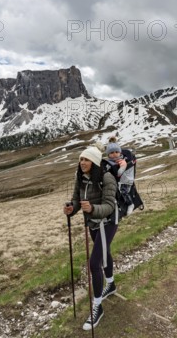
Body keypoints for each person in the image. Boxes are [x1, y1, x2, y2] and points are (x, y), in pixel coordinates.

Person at [64, 146, 118, 330]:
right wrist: (72, 209)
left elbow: (110, 205)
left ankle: (97, 306)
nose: (83, 163)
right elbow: (76, 200)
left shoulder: (106, 177)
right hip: (93, 224)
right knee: (104, 252)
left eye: (86, 160)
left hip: (108, 222)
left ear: (94, 162)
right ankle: (110, 285)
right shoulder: (79, 177)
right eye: (81, 159)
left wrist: (93, 209)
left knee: (94, 263)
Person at [105, 140, 136, 217]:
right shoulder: (108, 163)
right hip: (116, 181)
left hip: (125, 180)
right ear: (108, 155)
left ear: (120, 152)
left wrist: (120, 169)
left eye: (116, 152)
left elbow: (120, 172)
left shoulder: (121, 160)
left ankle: (130, 204)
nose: (114, 154)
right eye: (112, 153)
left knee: (123, 191)